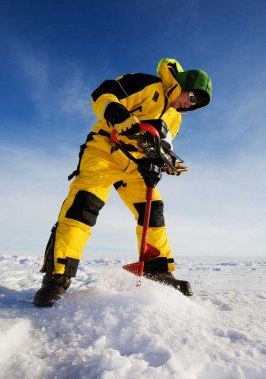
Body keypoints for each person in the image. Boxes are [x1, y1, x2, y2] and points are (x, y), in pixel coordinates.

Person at [33, 58, 212, 307]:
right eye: (191, 99)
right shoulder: (147, 84)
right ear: (183, 85)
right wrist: (119, 115)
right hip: (105, 150)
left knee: (153, 212)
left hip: (136, 165)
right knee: (83, 206)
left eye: (195, 107)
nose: (188, 107)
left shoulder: (174, 118)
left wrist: (166, 163)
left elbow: (162, 146)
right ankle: (58, 276)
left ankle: (157, 271)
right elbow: (103, 94)